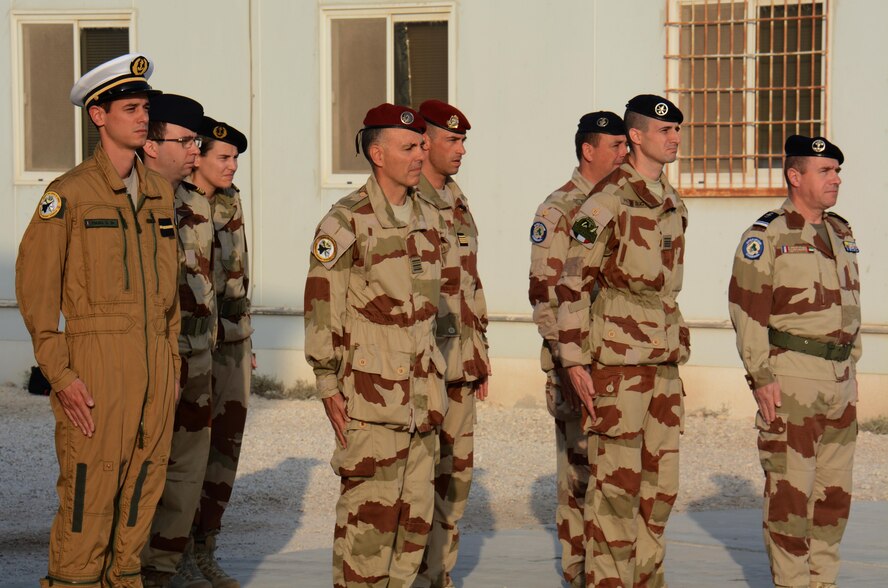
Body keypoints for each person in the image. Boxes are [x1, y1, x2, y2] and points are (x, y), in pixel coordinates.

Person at [15, 53, 181, 588]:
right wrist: (61, 374)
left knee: (141, 492)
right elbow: (37, 295)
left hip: (155, 366)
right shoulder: (69, 195)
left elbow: (169, 296)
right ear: (98, 116)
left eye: (145, 107)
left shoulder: (158, 193)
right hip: (97, 365)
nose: (143, 117)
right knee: (89, 498)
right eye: (131, 108)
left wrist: (172, 364)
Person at [304, 103, 447, 588]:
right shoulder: (345, 221)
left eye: (422, 145)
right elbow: (324, 306)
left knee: (413, 533)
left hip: (425, 401)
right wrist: (327, 383)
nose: (419, 154)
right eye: (409, 147)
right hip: (370, 401)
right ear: (377, 153)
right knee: (367, 535)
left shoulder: (428, 217)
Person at [555, 95, 689, 588]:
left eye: (677, 130)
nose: (674, 138)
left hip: (664, 362)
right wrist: (573, 361)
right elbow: (572, 283)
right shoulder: (606, 200)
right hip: (618, 363)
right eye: (664, 130)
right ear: (636, 136)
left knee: (660, 489)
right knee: (615, 489)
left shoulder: (673, 200)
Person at [728, 135, 860, 588]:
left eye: (837, 171)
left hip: (840, 381)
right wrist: (761, 378)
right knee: (790, 499)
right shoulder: (767, 236)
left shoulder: (841, 232)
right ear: (795, 176)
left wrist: (852, 369)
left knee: (832, 501)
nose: (835, 179)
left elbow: (849, 307)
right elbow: (747, 312)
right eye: (825, 171)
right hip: (793, 380)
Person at [527, 111, 627, 587]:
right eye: (615, 146)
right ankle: (579, 571)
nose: (624, 153)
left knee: (618, 474)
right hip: (575, 364)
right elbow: (545, 293)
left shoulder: (623, 203)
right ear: (588, 150)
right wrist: (569, 359)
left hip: (619, 363)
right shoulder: (560, 209)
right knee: (580, 473)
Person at [140, 96, 220, 587]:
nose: (196, 149)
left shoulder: (195, 204)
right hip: (150, 364)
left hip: (197, 358)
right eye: (186, 140)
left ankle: (167, 569)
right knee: (144, 472)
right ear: (152, 145)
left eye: (197, 141)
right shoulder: (129, 201)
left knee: (188, 475)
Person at [413, 100, 490, 588]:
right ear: (424, 142)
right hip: (421, 365)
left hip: (461, 363)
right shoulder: (406, 199)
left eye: (463, 141)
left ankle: (439, 575)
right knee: (416, 480)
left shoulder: (458, 200)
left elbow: (471, 282)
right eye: (452, 141)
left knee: (455, 479)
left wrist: (482, 353)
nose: (461, 150)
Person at [192, 117, 252, 588]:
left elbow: (238, 278)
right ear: (199, 157)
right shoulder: (173, 201)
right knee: (185, 454)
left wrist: (245, 340)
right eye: (224, 158)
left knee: (223, 451)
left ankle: (205, 550)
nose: (232, 166)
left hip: (230, 342)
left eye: (235, 158)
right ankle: (171, 558)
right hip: (188, 345)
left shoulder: (230, 203)